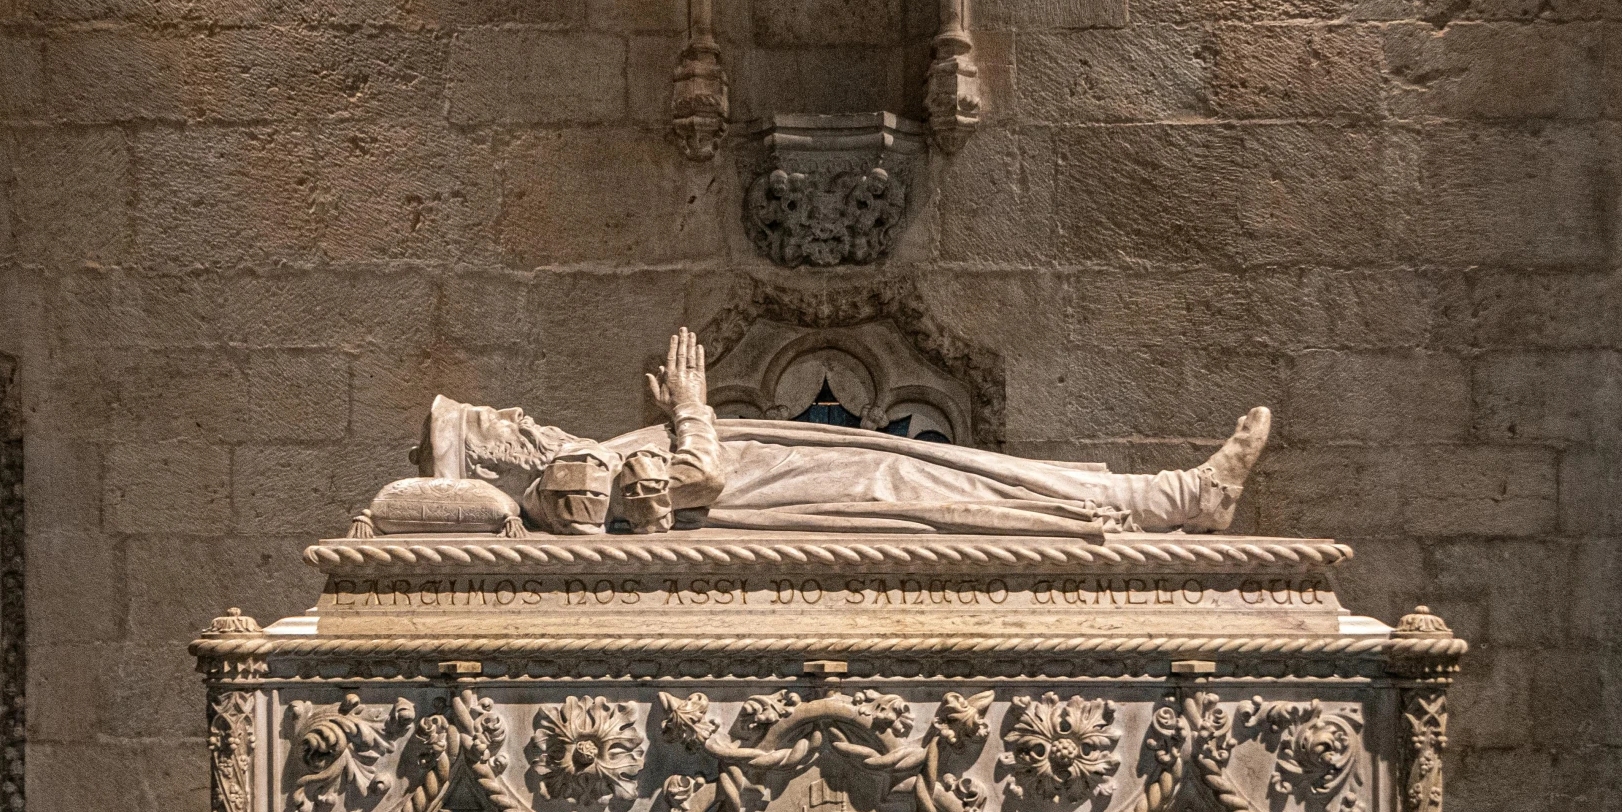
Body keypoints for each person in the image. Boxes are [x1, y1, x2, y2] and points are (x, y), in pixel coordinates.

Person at [372, 328, 1274, 538]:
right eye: (497, 425)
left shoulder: (574, 467)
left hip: (789, 467)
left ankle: (1179, 496)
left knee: (967, 473)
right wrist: (689, 403)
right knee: (964, 490)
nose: (517, 419)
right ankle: (1180, 499)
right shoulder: (559, 482)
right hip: (792, 494)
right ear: (490, 453)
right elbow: (699, 484)